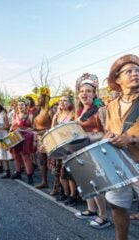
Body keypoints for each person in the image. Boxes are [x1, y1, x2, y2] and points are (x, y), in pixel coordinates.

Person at [104, 54, 139, 240]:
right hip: (118, 165)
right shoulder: (111, 106)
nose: (135, 74)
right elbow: (109, 130)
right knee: (117, 206)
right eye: (129, 71)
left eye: (137, 70)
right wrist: (108, 136)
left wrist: (130, 138)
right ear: (117, 79)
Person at [72, 73, 110, 227]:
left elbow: (108, 132)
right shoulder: (81, 111)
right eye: (81, 91)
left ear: (94, 93)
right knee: (86, 181)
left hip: (97, 152)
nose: (84, 93)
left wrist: (87, 137)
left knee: (97, 184)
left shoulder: (100, 109)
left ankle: (103, 216)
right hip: (83, 151)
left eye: (88, 91)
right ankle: (91, 209)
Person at [50, 95, 75, 199]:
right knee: (60, 173)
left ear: (70, 103)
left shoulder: (73, 114)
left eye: (65, 100)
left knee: (69, 174)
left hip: (69, 147)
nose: (62, 102)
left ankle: (73, 196)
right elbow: (52, 129)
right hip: (58, 147)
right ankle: (65, 193)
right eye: (60, 101)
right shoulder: (56, 115)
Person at [9, 97, 35, 184]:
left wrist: (26, 130)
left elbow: (33, 128)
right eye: (19, 104)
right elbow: (12, 126)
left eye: (22, 104)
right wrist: (11, 131)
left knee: (25, 157)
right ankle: (18, 172)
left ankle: (29, 175)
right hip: (16, 137)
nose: (20, 106)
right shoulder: (14, 115)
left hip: (26, 138)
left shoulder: (29, 115)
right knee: (16, 155)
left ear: (25, 106)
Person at [33, 87, 52, 188]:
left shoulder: (50, 111)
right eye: (38, 98)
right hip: (40, 140)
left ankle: (58, 186)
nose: (38, 100)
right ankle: (44, 182)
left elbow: (54, 127)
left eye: (40, 98)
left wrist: (41, 131)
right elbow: (35, 127)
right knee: (42, 162)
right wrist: (35, 138)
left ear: (46, 99)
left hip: (49, 139)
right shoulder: (37, 112)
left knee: (52, 163)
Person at [0, 101, 12, 179]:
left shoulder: (4, 114)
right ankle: (4, 169)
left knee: (5, 153)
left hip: (4, 136)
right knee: (0, 153)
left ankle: (7, 171)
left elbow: (7, 126)